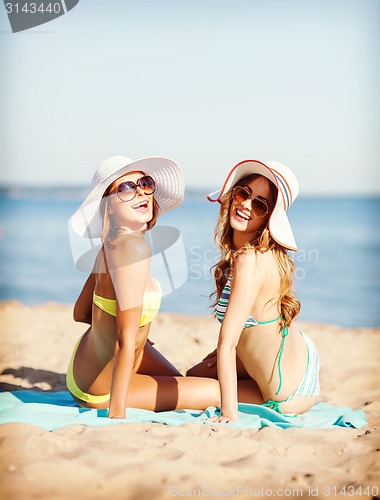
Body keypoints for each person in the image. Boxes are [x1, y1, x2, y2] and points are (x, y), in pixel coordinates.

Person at [67, 155, 220, 419]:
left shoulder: (109, 245)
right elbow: (123, 340)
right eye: (125, 188)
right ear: (108, 207)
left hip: (82, 367)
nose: (140, 191)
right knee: (216, 391)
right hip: (101, 387)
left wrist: (134, 331)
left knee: (178, 380)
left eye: (144, 182)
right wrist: (117, 412)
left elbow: (80, 313)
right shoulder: (134, 249)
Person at [187, 160, 320, 422]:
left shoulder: (249, 261)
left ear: (269, 217)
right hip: (300, 356)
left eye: (260, 204)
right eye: (243, 193)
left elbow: (227, 343)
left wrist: (228, 414)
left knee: (198, 388)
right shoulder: (266, 254)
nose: (246, 204)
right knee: (195, 373)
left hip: (288, 391)